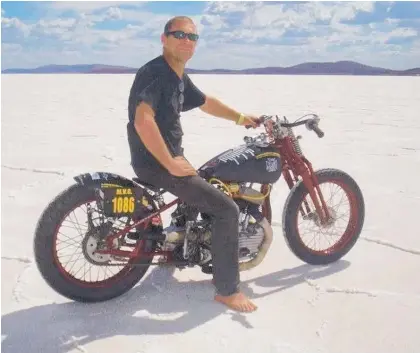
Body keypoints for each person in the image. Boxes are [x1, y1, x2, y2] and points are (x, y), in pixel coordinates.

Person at [126, 15, 260, 313]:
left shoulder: (176, 76)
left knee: (203, 187)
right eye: (179, 35)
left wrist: (241, 118)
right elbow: (142, 119)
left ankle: (174, 246)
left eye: (192, 37)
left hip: (164, 158)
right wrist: (170, 163)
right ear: (164, 38)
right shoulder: (155, 72)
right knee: (226, 209)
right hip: (157, 162)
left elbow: (204, 102)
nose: (186, 41)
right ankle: (228, 290)